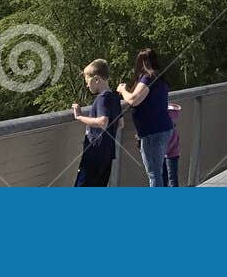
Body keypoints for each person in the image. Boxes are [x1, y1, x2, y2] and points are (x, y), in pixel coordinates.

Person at [117, 48, 173, 187]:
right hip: (161, 129)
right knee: (158, 171)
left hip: (152, 132)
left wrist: (122, 90)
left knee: (154, 173)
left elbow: (134, 99)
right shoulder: (160, 78)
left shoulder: (148, 77)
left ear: (140, 63)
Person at [71, 59, 123, 187]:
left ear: (96, 79)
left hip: (95, 153)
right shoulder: (115, 97)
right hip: (108, 153)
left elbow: (102, 121)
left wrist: (79, 116)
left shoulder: (103, 98)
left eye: (87, 82)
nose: (87, 86)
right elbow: (121, 123)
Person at [164, 101, 182, 187]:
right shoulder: (173, 128)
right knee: (171, 177)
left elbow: (170, 144)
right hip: (172, 154)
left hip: (170, 154)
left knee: (170, 177)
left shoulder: (169, 130)